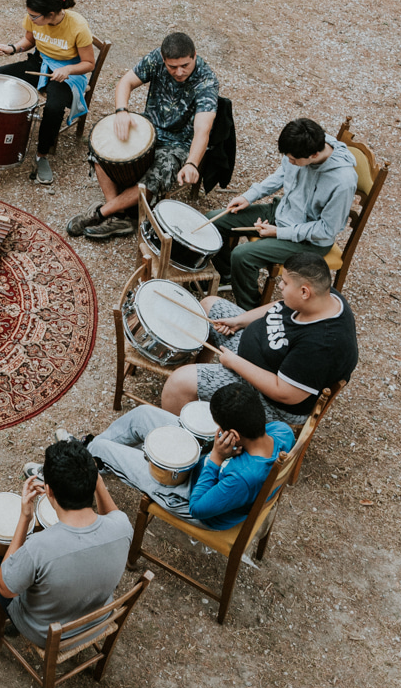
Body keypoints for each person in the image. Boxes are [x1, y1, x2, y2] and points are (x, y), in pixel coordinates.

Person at [0, 440, 131, 645]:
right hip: (97, 620)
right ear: (94, 481)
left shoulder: (37, 548)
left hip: (46, 633)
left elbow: (6, 589)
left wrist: (25, 518)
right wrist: (94, 478)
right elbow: (112, 515)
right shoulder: (122, 527)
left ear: (49, 492)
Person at [160, 255, 358, 428]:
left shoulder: (321, 345)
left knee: (178, 384)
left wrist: (234, 363)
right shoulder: (323, 296)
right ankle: (198, 383)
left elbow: (285, 393)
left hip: (270, 400)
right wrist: (239, 321)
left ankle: (184, 444)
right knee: (208, 305)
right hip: (254, 356)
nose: (280, 286)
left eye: (285, 283)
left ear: (305, 292)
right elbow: (280, 306)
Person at [68, 30, 219, 242]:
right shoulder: (156, 58)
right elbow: (126, 82)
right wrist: (122, 111)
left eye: (185, 65)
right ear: (163, 58)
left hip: (179, 142)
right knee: (100, 144)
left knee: (157, 175)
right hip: (149, 126)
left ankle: (102, 213)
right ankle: (120, 215)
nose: (179, 72)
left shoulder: (206, 81)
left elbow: (203, 129)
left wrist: (192, 163)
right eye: (172, 67)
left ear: (194, 55)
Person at [86, 382, 295, 528]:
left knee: (102, 449)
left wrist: (216, 458)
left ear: (234, 435)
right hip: (209, 466)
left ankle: (86, 457)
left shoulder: (244, 478)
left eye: (219, 427)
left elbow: (197, 508)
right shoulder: (282, 431)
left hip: (190, 498)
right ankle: (90, 452)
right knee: (142, 415)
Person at [210, 118, 357, 309]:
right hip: (283, 212)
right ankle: (228, 276)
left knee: (242, 255)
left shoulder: (343, 182)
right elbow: (281, 174)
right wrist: (249, 196)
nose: (289, 162)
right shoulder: (306, 143)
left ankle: (251, 312)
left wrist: (278, 233)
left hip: (309, 241)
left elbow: (327, 230)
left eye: (294, 160)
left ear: (314, 155)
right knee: (213, 220)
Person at [0, 0, 95, 186]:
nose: (30, 19)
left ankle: (42, 155)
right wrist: (12, 48)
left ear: (50, 14)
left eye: (34, 16)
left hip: (66, 73)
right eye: (29, 15)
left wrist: (67, 70)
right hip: (40, 63)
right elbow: (29, 40)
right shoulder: (34, 18)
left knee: (54, 108)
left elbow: (89, 63)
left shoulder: (78, 26)